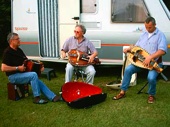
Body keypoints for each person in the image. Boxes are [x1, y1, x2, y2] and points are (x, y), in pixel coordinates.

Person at [112, 17, 167, 103]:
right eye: (146, 27)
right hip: (140, 62)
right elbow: (137, 47)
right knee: (128, 70)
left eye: (150, 27)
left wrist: (150, 57)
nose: (148, 29)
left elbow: (162, 51)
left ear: (155, 25)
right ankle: (122, 92)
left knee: (151, 78)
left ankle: (151, 95)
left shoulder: (160, 35)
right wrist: (129, 48)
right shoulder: (144, 34)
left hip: (154, 63)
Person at [1, 32, 61, 104]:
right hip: (13, 76)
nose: (19, 40)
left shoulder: (19, 50)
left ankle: (53, 97)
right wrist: (17, 68)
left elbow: (27, 62)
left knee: (38, 81)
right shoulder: (7, 52)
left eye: (19, 38)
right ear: (11, 41)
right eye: (17, 39)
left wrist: (39, 67)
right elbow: (3, 68)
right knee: (33, 75)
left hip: (22, 74)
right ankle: (37, 98)